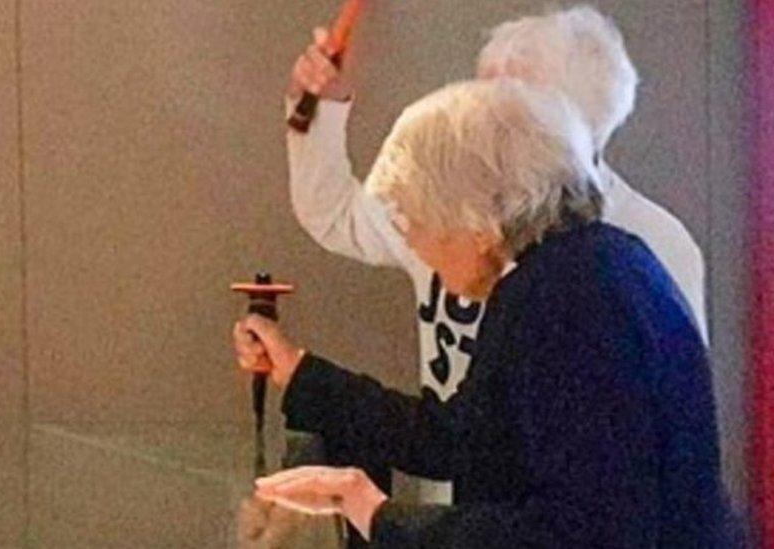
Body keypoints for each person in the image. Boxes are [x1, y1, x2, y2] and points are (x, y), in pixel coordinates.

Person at [238, 78, 728, 546]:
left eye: (413, 219)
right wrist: (300, 372)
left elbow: (581, 532)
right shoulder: (587, 269)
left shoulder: (568, 299)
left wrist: (383, 517)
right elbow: (460, 437)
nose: (415, 245)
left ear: (474, 216)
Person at [286, 6, 708, 504]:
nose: (470, 122)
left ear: (559, 129)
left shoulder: (637, 250)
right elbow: (337, 215)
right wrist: (322, 107)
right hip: (458, 502)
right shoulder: (456, 212)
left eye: (500, 110)